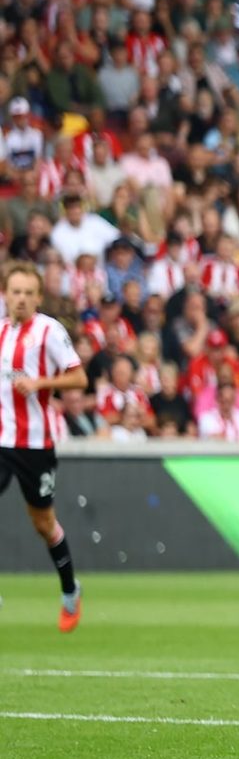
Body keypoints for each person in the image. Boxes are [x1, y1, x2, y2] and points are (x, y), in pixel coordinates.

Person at [1, 262, 87, 630]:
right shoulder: (0, 332)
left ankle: (70, 590)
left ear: (37, 297)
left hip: (36, 445)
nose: (20, 299)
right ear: (6, 294)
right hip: (1, 439)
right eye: (14, 291)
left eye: (27, 293)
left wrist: (39, 384)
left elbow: (79, 377)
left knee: (43, 522)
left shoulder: (50, 331)